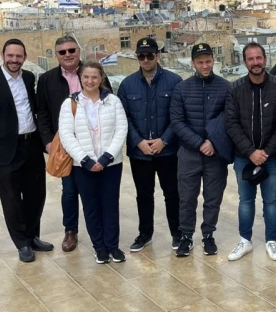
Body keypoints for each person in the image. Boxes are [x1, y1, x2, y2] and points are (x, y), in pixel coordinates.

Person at [0, 39, 50, 263]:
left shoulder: (28, 78)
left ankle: (33, 236)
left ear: (24, 58)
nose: (14, 60)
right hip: (6, 150)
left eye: (19, 56)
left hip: (32, 146)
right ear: (2, 56)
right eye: (10, 56)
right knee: (12, 200)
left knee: (36, 195)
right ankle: (22, 243)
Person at [35, 36, 111, 252]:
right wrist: (48, 142)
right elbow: (41, 113)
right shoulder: (46, 79)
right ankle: (71, 231)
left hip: (95, 142)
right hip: (66, 144)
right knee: (69, 191)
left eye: (71, 50)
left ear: (78, 51)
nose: (67, 55)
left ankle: (101, 229)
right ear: (56, 55)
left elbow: (109, 104)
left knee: (95, 189)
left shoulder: (92, 73)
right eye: (62, 52)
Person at [57, 61, 128, 264]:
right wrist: (85, 160)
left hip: (111, 165)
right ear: (81, 78)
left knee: (110, 205)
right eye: (86, 77)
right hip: (83, 166)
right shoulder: (69, 104)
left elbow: (121, 130)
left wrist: (107, 157)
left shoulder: (113, 102)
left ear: (101, 78)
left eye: (94, 77)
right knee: (91, 206)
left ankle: (112, 246)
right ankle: (100, 248)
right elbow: (66, 135)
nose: (90, 81)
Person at [117, 37, 183, 253]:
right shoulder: (127, 85)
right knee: (144, 194)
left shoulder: (174, 82)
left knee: (172, 193)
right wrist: (138, 142)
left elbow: (178, 116)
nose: (145, 60)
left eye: (149, 55)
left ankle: (177, 233)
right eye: (141, 56)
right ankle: (145, 233)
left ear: (158, 56)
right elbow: (124, 117)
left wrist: (164, 140)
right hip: (141, 153)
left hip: (168, 151)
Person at [169, 43, 232, 257]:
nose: (204, 65)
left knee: (213, 197)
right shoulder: (182, 88)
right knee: (187, 198)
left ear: (213, 61)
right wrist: (199, 143)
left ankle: (208, 234)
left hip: (216, 154)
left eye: (208, 61)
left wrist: (213, 142)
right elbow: (177, 122)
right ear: (193, 63)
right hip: (189, 154)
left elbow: (229, 118)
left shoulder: (225, 87)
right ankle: (186, 236)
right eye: (200, 62)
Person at [225, 43, 276, 262]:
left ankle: (271, 240)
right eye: (250, 59)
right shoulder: (235, 88)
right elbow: (231, 123)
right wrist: (251, 152)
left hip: (271, 156)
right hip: (244, 157)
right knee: (245, 200)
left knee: (271, 200)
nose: (255, 62)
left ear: (265, 59)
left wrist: (266, 152)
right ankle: (245, 240)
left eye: (259, 58)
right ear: (244, 62)